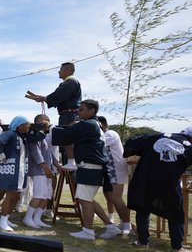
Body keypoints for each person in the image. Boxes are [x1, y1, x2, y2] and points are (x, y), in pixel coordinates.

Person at [124, 127, 192, 252]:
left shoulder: (156, 137)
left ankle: (143, 241)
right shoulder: (191, 149)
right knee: (176, 213)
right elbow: (182, 164)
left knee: (143, 208)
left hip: (146, 178)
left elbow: (132, 144)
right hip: (168, 182)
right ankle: (177, 247)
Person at [51, 99, 107, 240]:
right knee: (87, 199)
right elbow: (71, 131)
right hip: (90, 167)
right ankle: (109, 225)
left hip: (90, 167)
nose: (78, 111)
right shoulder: (95, 125)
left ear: (91, 111)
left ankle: (88, 231)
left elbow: (69, 133)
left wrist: (51, 128)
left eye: (81, 109)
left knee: (85, 200)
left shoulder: (89, 125)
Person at [27, 62, 81, 170]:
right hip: (68, 113)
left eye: (61, 69)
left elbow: (59, 95)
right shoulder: (69, 82)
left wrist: (44, 98)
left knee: (68, 137)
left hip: (70, 114)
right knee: (67, 138)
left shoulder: (71, 81)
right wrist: (45, 98)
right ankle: (71, 162)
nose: (59, 71)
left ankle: (72, 162)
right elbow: (58, 95)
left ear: (68, 70)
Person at [0, 116, 32, 231]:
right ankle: (2, 220)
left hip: (19, 170)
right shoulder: (11, 134)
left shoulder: (22, 137)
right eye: (27, 124)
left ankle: (6, 218)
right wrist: (1, 154)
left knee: (16, 196)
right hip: (10, 170)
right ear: (20, 125)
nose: (29, 126)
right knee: (11, 195)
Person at [95, 116, 133, 239]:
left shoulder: (110, 134)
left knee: (116, 198)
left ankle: (127, 225)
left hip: (116, 170)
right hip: (107, 170)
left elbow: (97, 143)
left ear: (100, 125)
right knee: (108, 196)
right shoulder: (106, 134)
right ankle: (112, 218)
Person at [23, 114, 60, 228]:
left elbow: (49, 152)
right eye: (41, 121)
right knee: (39, 195)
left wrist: (57, 165)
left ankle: (37, 218)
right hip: (40, 170)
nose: (45, 123)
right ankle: (28, 218)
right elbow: (36, 153)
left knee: (46, 195)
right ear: (36, 123)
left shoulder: (43, 136)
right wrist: (46, 168)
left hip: (47, 170)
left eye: (47, 121)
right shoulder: (33, 136)